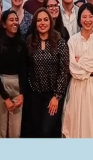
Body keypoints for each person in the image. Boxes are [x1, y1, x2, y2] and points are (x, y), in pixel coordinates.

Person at [22, 8, 70, 138]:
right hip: (34, 95)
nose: (42, 23)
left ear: (50, 22)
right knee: (35, 130)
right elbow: (26, 68)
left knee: (47, 130)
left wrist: (57, 96)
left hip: (53, 95)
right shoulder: (29, 41)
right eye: (39, 20)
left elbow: (63, 71)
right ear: (35, 23)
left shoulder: (60, 42)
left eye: (45, 19)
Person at [62, 3, 93, 138]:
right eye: (84, 17)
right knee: (74, 125)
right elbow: (72, 68)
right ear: (79, 19)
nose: (87, 20)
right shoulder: (72, 41)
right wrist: (88, 68)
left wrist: (79, 60)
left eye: (91, 16)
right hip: (76, 87)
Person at [0, 9, 28, 138]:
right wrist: (5, 97)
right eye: (11, 20)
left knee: (15, 132)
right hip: (0, 87)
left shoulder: (22, 43)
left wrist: (22, 94)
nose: (15, 22)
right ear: (4, 24)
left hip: (17, 86)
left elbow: (24, 70)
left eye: (16, 20)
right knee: (0, 131)